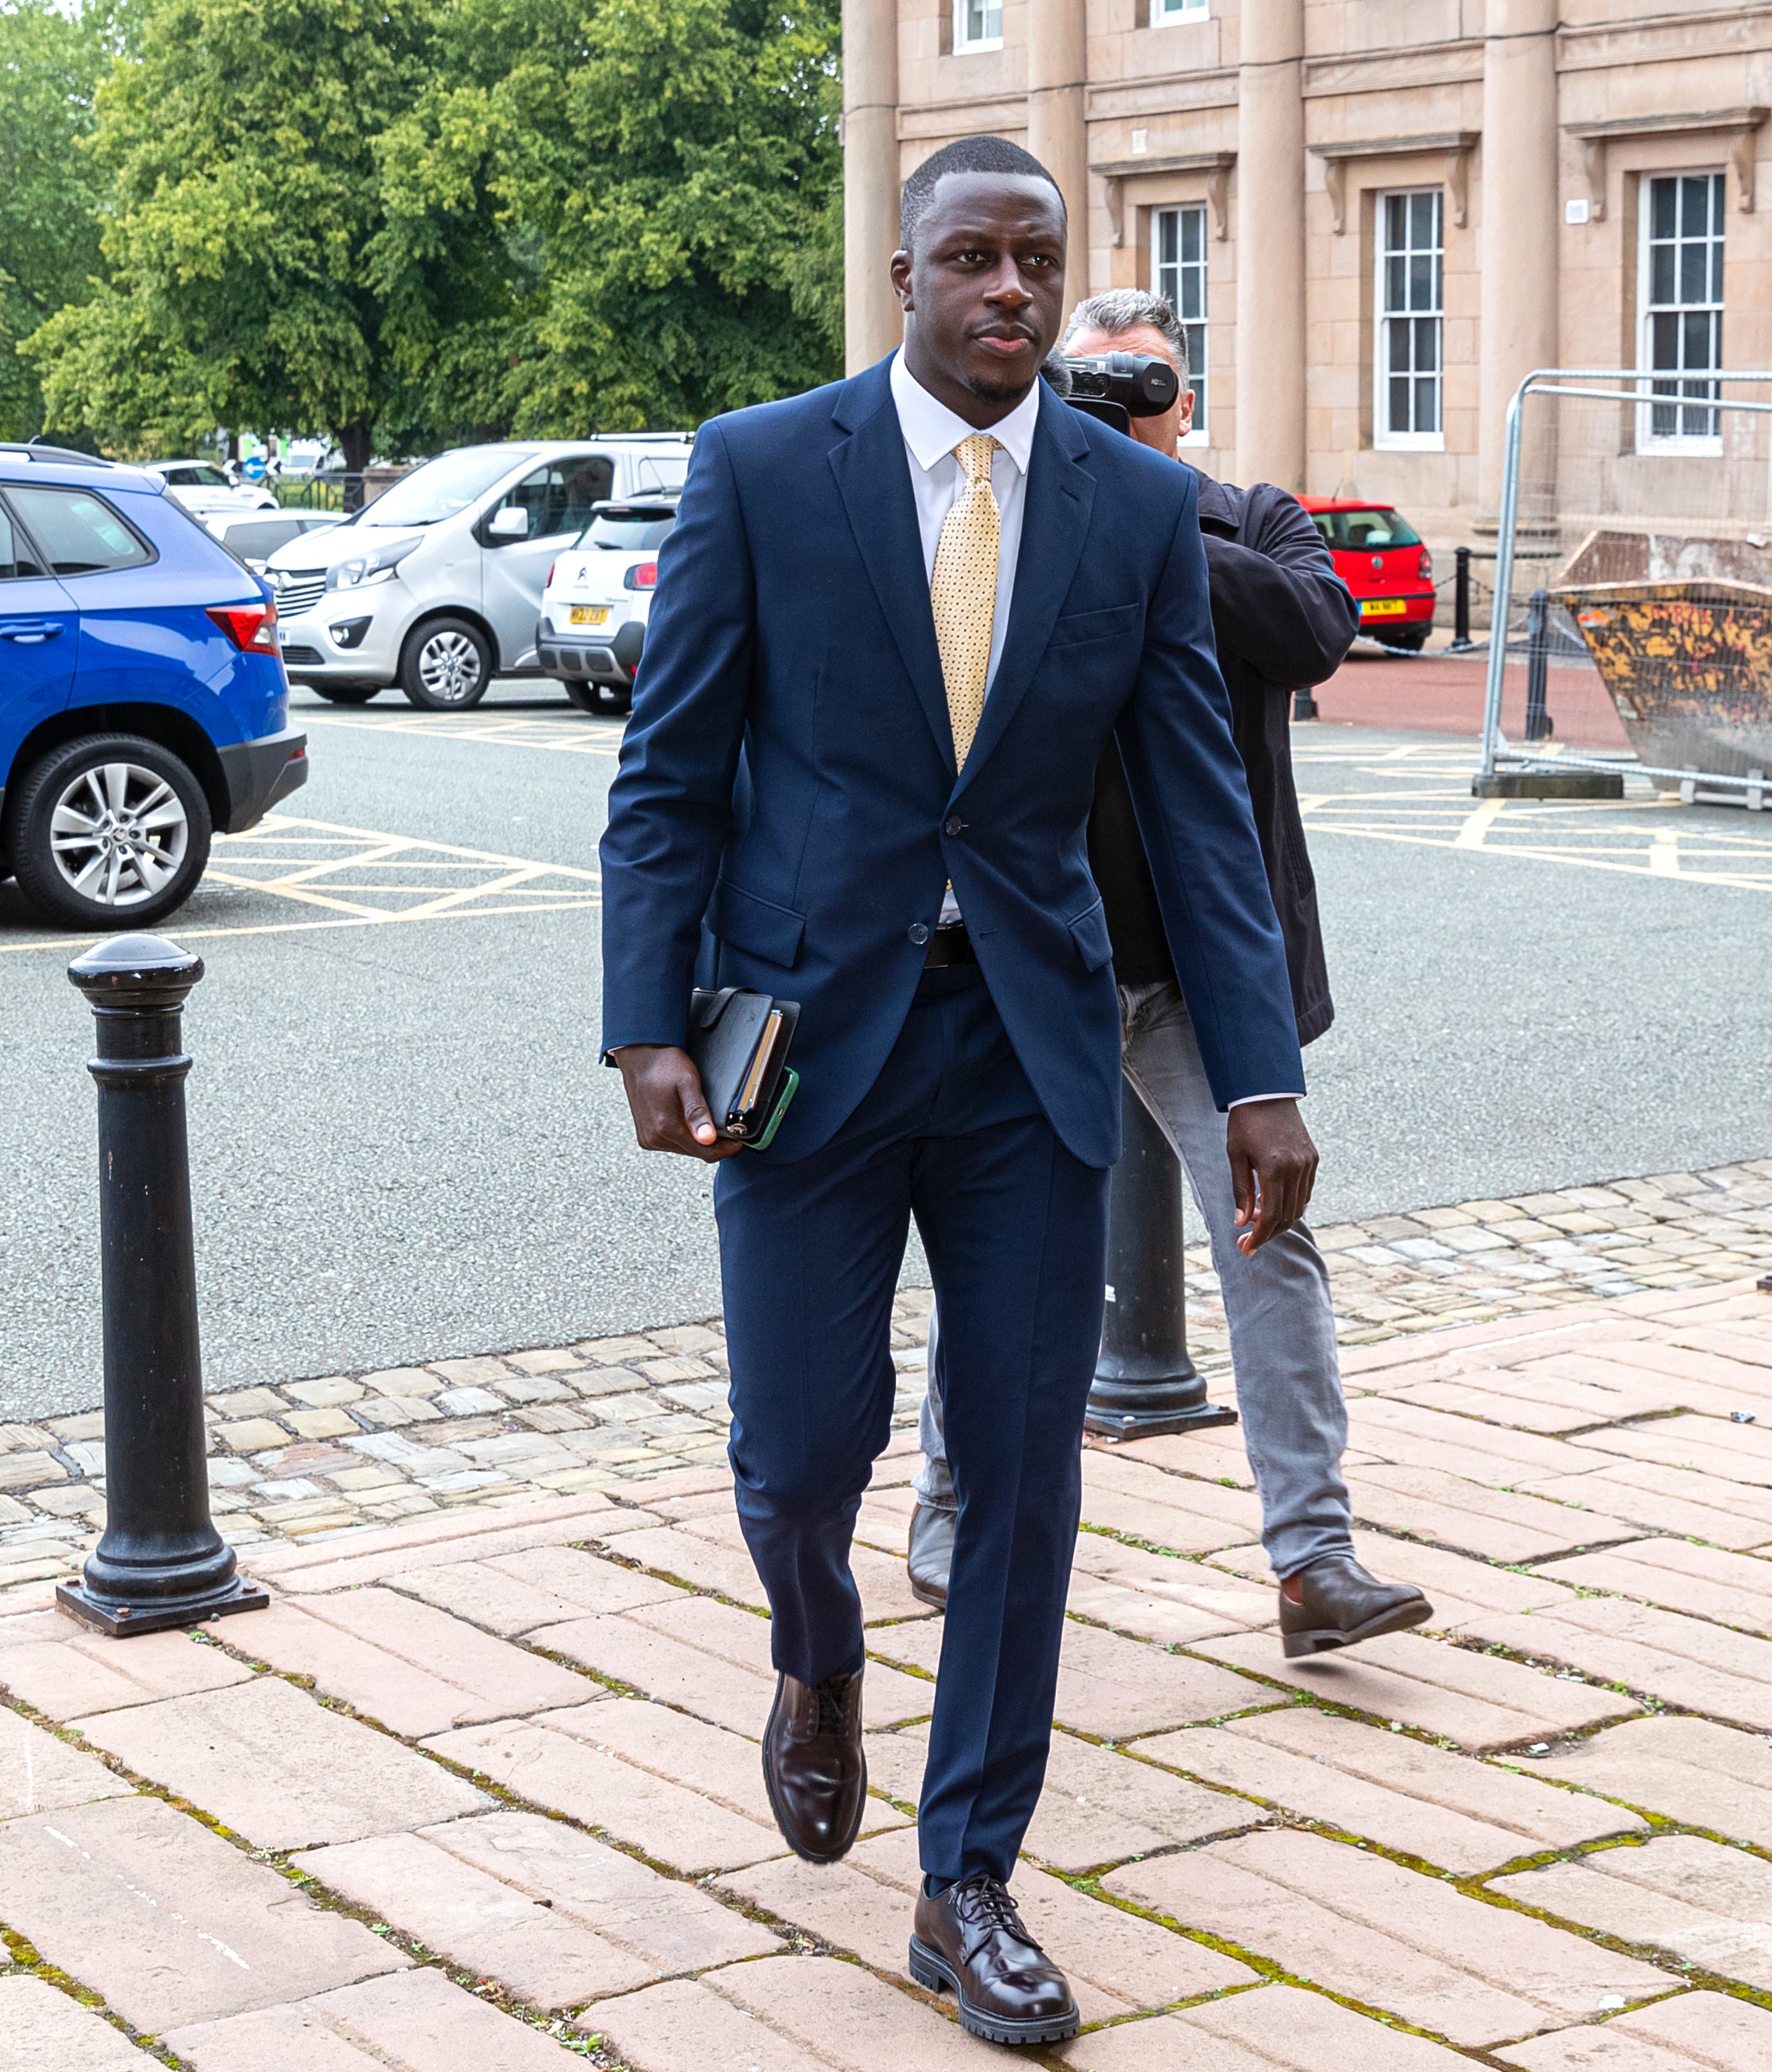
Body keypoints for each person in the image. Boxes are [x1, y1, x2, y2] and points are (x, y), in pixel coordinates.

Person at [597, 136, 1313, 2050]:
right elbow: (668, 775)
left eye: (1037, 263)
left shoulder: (1131, 511)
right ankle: (816, 1659)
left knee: (1022, 1468)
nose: (1009, 291)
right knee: (798, 1459)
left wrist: (1257, 1077)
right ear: (904, 276)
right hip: (804, 1052)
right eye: (973, 260)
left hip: (1026, 1050)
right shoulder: (764, 471)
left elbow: (1195, 811)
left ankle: (967, 1875)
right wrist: (643, 1021)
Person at [905, 291, 1434, 1658]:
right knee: (1000, 1246)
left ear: (1184, 403)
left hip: (1208, 967)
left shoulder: (1250, 519)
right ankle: (947, 1512)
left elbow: (1318, 631)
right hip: (1048, 950)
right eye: (1092, 389)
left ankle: (1315, 1564)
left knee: (1275, 1244)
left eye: (1143, 389)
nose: (1117, 411)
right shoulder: (1011, 511)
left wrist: (1146, 499)